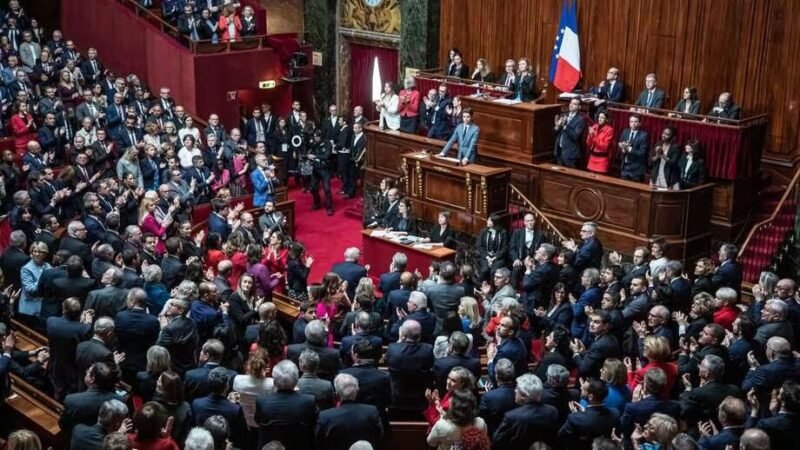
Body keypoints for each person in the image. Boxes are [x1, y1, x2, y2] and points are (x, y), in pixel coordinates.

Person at [254, 360, 318, 449]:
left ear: (274, 382)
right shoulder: (308, 401)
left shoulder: (262, 400)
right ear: (296, 381)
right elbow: (314, 423)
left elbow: (257, 421)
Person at [315, 374, 384, 450]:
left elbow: (319, 442)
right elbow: (379, 437)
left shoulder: (325, 416)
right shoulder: (371, 411)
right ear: (357, 391)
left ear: (336, 394)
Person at [493, 373, 560, 448]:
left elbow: (497, 439)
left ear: (523, 396)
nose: (515, 390)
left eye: (517, 389)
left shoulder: (511, 417)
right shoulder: (553, 411)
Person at [307, 129, 334, 215]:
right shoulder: (314, 144)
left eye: (317, 137)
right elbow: (309, 151)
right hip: (316, 168)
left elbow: (326, 156)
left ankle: (329, 207)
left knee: (327, 189)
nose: (316, 139)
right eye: (314, 137)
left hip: (325, 169)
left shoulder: (327, 144)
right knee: (313, 188)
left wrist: (314, 156)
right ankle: (317, 203)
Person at [554, 98, 587, 168]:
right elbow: (556, 132)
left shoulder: (580, 120)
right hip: (559, 151)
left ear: (579, 107)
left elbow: (575, 136)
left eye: (574, 104)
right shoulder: (564, 115)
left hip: (570, 154)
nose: (571, 105)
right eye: (571, 103)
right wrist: (557, 126)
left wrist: (565, 126)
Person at [618, 114, 649, 182]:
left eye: (635, 122)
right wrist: (622, 149)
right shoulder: (625, 132)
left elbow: (642, 153)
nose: (633, 124)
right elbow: (620, 147)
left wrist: (629, 149)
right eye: (631, 122)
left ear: (640, 123)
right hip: (625, 167)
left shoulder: (644, 135)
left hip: (636, 170)